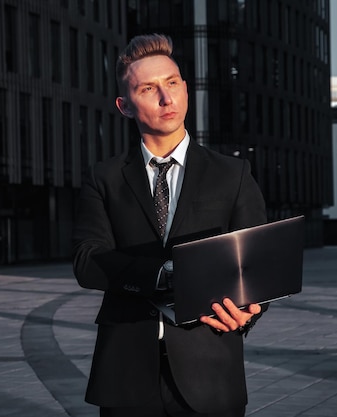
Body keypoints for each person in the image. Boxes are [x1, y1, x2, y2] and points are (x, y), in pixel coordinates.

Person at [72, 33, 267, 417]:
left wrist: (250, 311)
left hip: (211, 371)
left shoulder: (233, 174)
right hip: (125, 376)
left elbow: (256, 261)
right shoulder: (104, 178)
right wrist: (161, 273)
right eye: (149, 89)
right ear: (125, 106)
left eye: (173, 83)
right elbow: (87, 260)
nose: (167, 98)